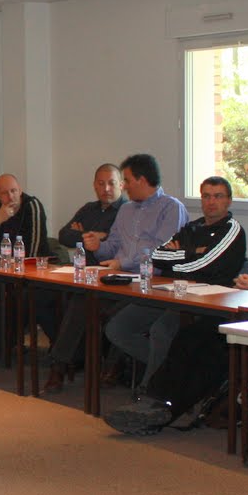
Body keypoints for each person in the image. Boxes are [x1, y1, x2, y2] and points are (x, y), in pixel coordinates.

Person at [46, 154, 187, 382]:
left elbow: (161, 252)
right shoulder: (126, 210)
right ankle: (59, 364)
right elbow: (112, 246)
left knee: (111, 314)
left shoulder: (171, 208)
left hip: (151, 283)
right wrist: (98, 246)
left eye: (127, 180)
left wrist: (123, 263)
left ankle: (115, 366)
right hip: (119, 278)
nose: (125, 186)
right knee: (82, 300)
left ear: (142, 180)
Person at [105, 175, 246, 391]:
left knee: (161, 331)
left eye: (218, 196)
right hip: (172, 293)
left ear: (229, 200)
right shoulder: (192, 227)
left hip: (206, 302)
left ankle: (151, 391)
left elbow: (203, 265)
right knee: (118, 328)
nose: (211, 202)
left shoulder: (231, 229)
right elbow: (156, 255)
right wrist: (192, 252)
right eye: (206, 196)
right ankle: (170, 370)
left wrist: (181, 255)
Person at [0, 174, 49, 361]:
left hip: (34, 272)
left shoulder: (32, 206)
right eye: (5, 193)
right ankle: (4, 342)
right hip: (5, 272)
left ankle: (6, 343)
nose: (11, 196)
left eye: (14, 191)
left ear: (20, 190)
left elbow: (35, 250)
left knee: (20, 296)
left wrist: (18, 269)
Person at [57, 164, 125, 260]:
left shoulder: (128, 210)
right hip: (85, 267)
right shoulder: (88, 209)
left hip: (114, 267)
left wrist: (81, 234)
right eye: (101, 183)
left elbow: (123, 243)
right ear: (95, 185)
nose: (106, 189)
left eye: (111, 183)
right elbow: (63, 236)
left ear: (121, 185)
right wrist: (98, 236)